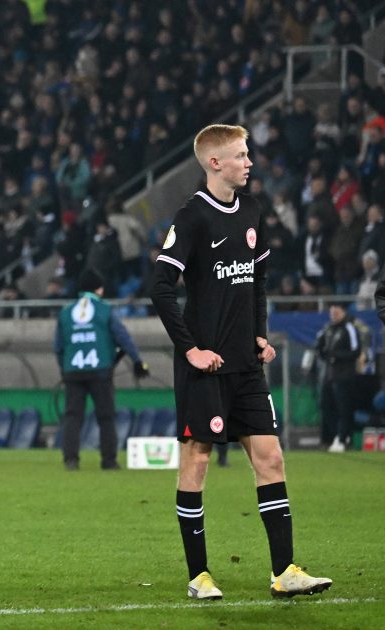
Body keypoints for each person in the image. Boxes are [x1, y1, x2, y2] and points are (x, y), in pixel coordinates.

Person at [152, 124, 331, 600]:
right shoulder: (191, 217)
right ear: (215, 163)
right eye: (240, 155)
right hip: (203, 368)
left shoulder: (252, 211)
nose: (249, 162)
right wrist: (191, 349)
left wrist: (259, 335)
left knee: (271, 458)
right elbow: (160, 286)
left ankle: (285, 571)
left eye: (247, 154)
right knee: (197, 462)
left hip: (246, 367)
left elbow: (258, 280)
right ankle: (199, 576)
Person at [54, 269, 149, 470]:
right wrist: (137, 361)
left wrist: (64, 370)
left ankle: (71, 460)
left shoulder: (65, 313)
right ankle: (109, 460)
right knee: (106, 417)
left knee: (72, 417)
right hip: (100, 371)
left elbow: (58, 347)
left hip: (73, 371)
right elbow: (123, 338)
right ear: (99, 288)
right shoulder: (105, 310)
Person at [315, 302, 367, 453]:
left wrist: (336, 356)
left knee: (344, 408)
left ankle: (344, 438)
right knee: (325, 405)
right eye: (332, 313)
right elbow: (322, 348)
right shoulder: (329, 329)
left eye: (336, 312)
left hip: (345, 374)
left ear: (343, 312)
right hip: (330, 374)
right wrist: (323, 353)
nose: (334, 315)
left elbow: (355, 351)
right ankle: (337, 435)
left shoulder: (349, 328)